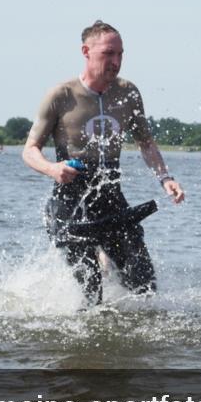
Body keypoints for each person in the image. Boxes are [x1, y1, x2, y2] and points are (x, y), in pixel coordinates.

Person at [22, 19, 185, 306]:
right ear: (86, 51)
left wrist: (166, 178)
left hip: (110, 196)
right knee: (90, 293)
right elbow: (30, 150)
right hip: (71, 201)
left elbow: (146, 143)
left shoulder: (128, 93)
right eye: (108, 54)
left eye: (120, 54)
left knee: (144, 284)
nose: (116, 61)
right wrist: (52, 168)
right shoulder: (61, 95)